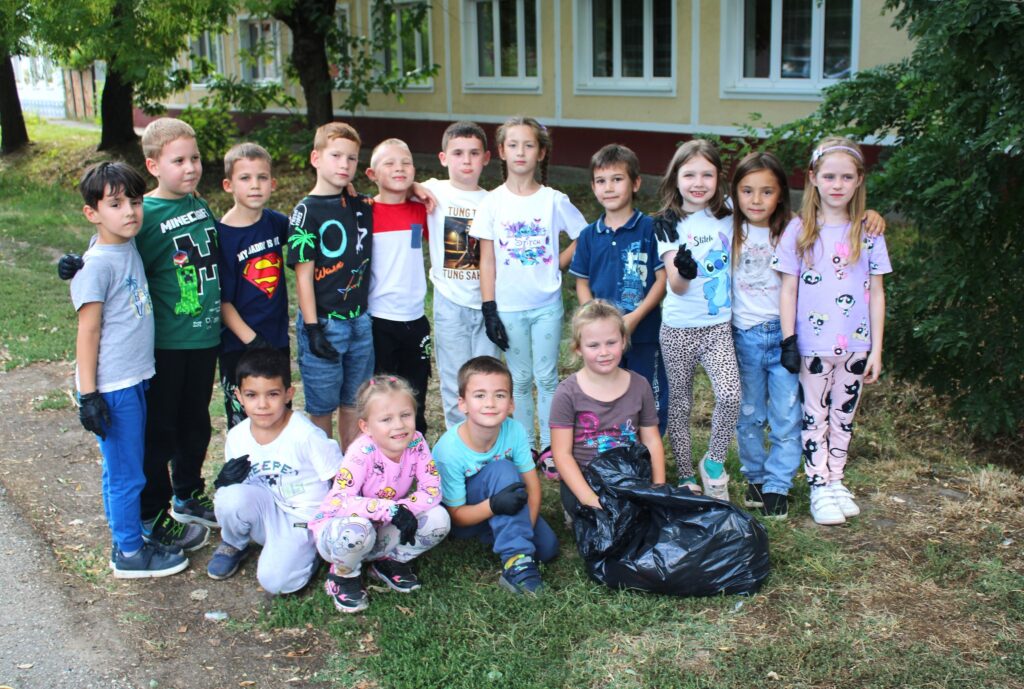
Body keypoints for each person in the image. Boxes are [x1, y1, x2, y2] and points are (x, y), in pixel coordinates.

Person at [59, 119, 216, 551]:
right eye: (178, 160)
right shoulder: (141, 219)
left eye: (195, 158)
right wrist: (74, 263)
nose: (190, 167)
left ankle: (186, 494)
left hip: (194, 342)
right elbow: (105, 245)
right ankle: (148, 517)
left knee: (194, 424)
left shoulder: (196, 204)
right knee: (155, 437)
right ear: (154, 165)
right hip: (155, 351)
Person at [70, 161, 187, 578]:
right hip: (113, 386)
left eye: (135, 202)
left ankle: (128, 536)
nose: (130, 212)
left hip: (135, 377)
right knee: (126, 474)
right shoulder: (98, 265)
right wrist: (89, 395)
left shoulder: (125, 244)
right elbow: (88, 331)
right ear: (92, 212)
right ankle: (129, 552)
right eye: (116, 204)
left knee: (122, 468)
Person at [774, 137, 892, 526]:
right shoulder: (799, 230)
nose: (837, 185)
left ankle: (836, 479)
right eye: (829, 176)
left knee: (843, 416)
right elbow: (788, 289)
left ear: (859, 180)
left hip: (856, 344)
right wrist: (789, 340)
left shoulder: (869, 232)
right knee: (815, 415)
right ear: (813, 178)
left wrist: (876, 349)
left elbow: (877, 292)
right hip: (812, 345)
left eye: (846, 177)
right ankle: (818, 485)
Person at [471, 116, 586, 456]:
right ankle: (526, 446)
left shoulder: (553, 199)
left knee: (547, 377)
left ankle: (551, 448)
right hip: (508, 307)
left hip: (546, 305)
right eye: (513, 145)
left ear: (541, 153)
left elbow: (584, 236)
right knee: (519, 379)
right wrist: (489, 308)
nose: (521, 152)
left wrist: (557, 263)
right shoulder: (492, 202)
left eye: (529, 145)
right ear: (502, 151)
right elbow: (487, 261)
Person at [309, 375, 450, 614]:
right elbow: (340, 501)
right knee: (358, 529)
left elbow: (432, 490)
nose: (399, 425)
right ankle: (343, 576)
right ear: (365, 427)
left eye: (405, 415)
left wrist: (403, 510)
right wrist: (391, 510)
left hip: (380, 528)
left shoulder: (416, 442)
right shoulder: (361, 452)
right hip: (340, 532)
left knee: (439, 518)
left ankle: (389, 561)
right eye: (386, 419)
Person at [206, 348, 343, 594]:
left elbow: (341, 481)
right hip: (266, 512)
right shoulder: (237, 436)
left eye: (272, 394)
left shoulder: (307, 435)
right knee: (227, 496)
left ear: (288, 394)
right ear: (239, 396)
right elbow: (239, 492)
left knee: (276, 582)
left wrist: (334, 528)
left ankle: (309, 554)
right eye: (251, 395)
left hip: (303, 520)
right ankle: (234, 544)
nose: (262, 405)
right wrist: (224, 482)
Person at [654, 139, 741, 501]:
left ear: (719, 178)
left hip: (717, 327)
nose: (698, 182)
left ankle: (714, 463)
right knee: (680, 405)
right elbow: (675, 285)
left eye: (707, 174)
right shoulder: (668, 223)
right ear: (676, 178)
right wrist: (684, 272)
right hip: (678, 329)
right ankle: (686, 473)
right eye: (689, 174)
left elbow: (770, 208)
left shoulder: (730, 212)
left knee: (731, 395)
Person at [432, 356, 559, 594]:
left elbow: (533, 487)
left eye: (499, 395)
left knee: (547, 548)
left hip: (507, 505)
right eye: (480, 395)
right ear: (462, 404)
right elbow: (456, 517)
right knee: (503, 468)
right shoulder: (447, 451)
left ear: (511, 404)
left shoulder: (515, 430)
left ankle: (509, 538)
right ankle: (516, 564)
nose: (490, 403)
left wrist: (524, 531)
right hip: (467, 520)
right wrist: (493, 506)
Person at [569, 144, 669, 437]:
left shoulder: (649, 228)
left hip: (644, 332)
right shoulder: (589, 235)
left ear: (635, 183)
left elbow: (661, 280)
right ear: (593, 187)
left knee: (648, 393)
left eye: (617, 179)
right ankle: (613, 445)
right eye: (601, 181)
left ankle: (648, 449)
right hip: (603, 337)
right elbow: (582, 282)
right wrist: (594, 317)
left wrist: (634, 317)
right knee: (606, 390)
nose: (609, 188)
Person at [287, 122, 376, 449]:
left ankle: (351, 464)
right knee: (322, 406)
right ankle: (324, 466)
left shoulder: (359, 204)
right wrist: (312, 328)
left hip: (360, 320)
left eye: (351, 158)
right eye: (336, 156)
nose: (344, 164)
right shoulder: (305, 212)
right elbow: (303, 276)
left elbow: (395, 193)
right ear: (316, 158)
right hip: (324, 323)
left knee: (355, 400)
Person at [550, 301, 667, 518]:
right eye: (593, 345)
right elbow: (562, 454)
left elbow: (651, 440)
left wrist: (658, 488)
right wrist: (591, 500)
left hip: (630, 475)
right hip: (586, 479)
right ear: (578, 348)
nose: (604, 352)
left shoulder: (640, 385)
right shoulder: (566, 393)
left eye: (611, 342)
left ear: (623, 341)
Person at [423, 121, 499, 429]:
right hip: (449, 302)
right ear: (443, 158)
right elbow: (394, 183)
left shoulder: (494, 200)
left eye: (474, 153)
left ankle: (486, 435)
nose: (466, 160)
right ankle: (458, 438)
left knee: (487, 375)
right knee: (454, 377)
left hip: (486, 302)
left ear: (486, 158)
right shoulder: (434, 190)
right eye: (457, 153)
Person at [216, 142, 290, 429]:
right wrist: (252, 341)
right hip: (240, 345)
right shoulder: (222, 236)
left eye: (262, 177)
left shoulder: (274, 222)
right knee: (245, 420)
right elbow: (223, 301)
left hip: (277, 340)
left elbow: (308, 229)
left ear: (273, 183)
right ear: (228, 185)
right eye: (245, 178)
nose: (255, 185)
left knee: (278, 415)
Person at [365, 138, 432, 435]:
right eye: (389, 163)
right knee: (382, 394)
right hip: (380, 320)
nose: (399, 168)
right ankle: (381, 448)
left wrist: (416, 188)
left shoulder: (421, 211)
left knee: (416, 392)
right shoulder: (364, 212)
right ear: (372, 174)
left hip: (415, 319)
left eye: (406, 163)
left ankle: (416, 445)